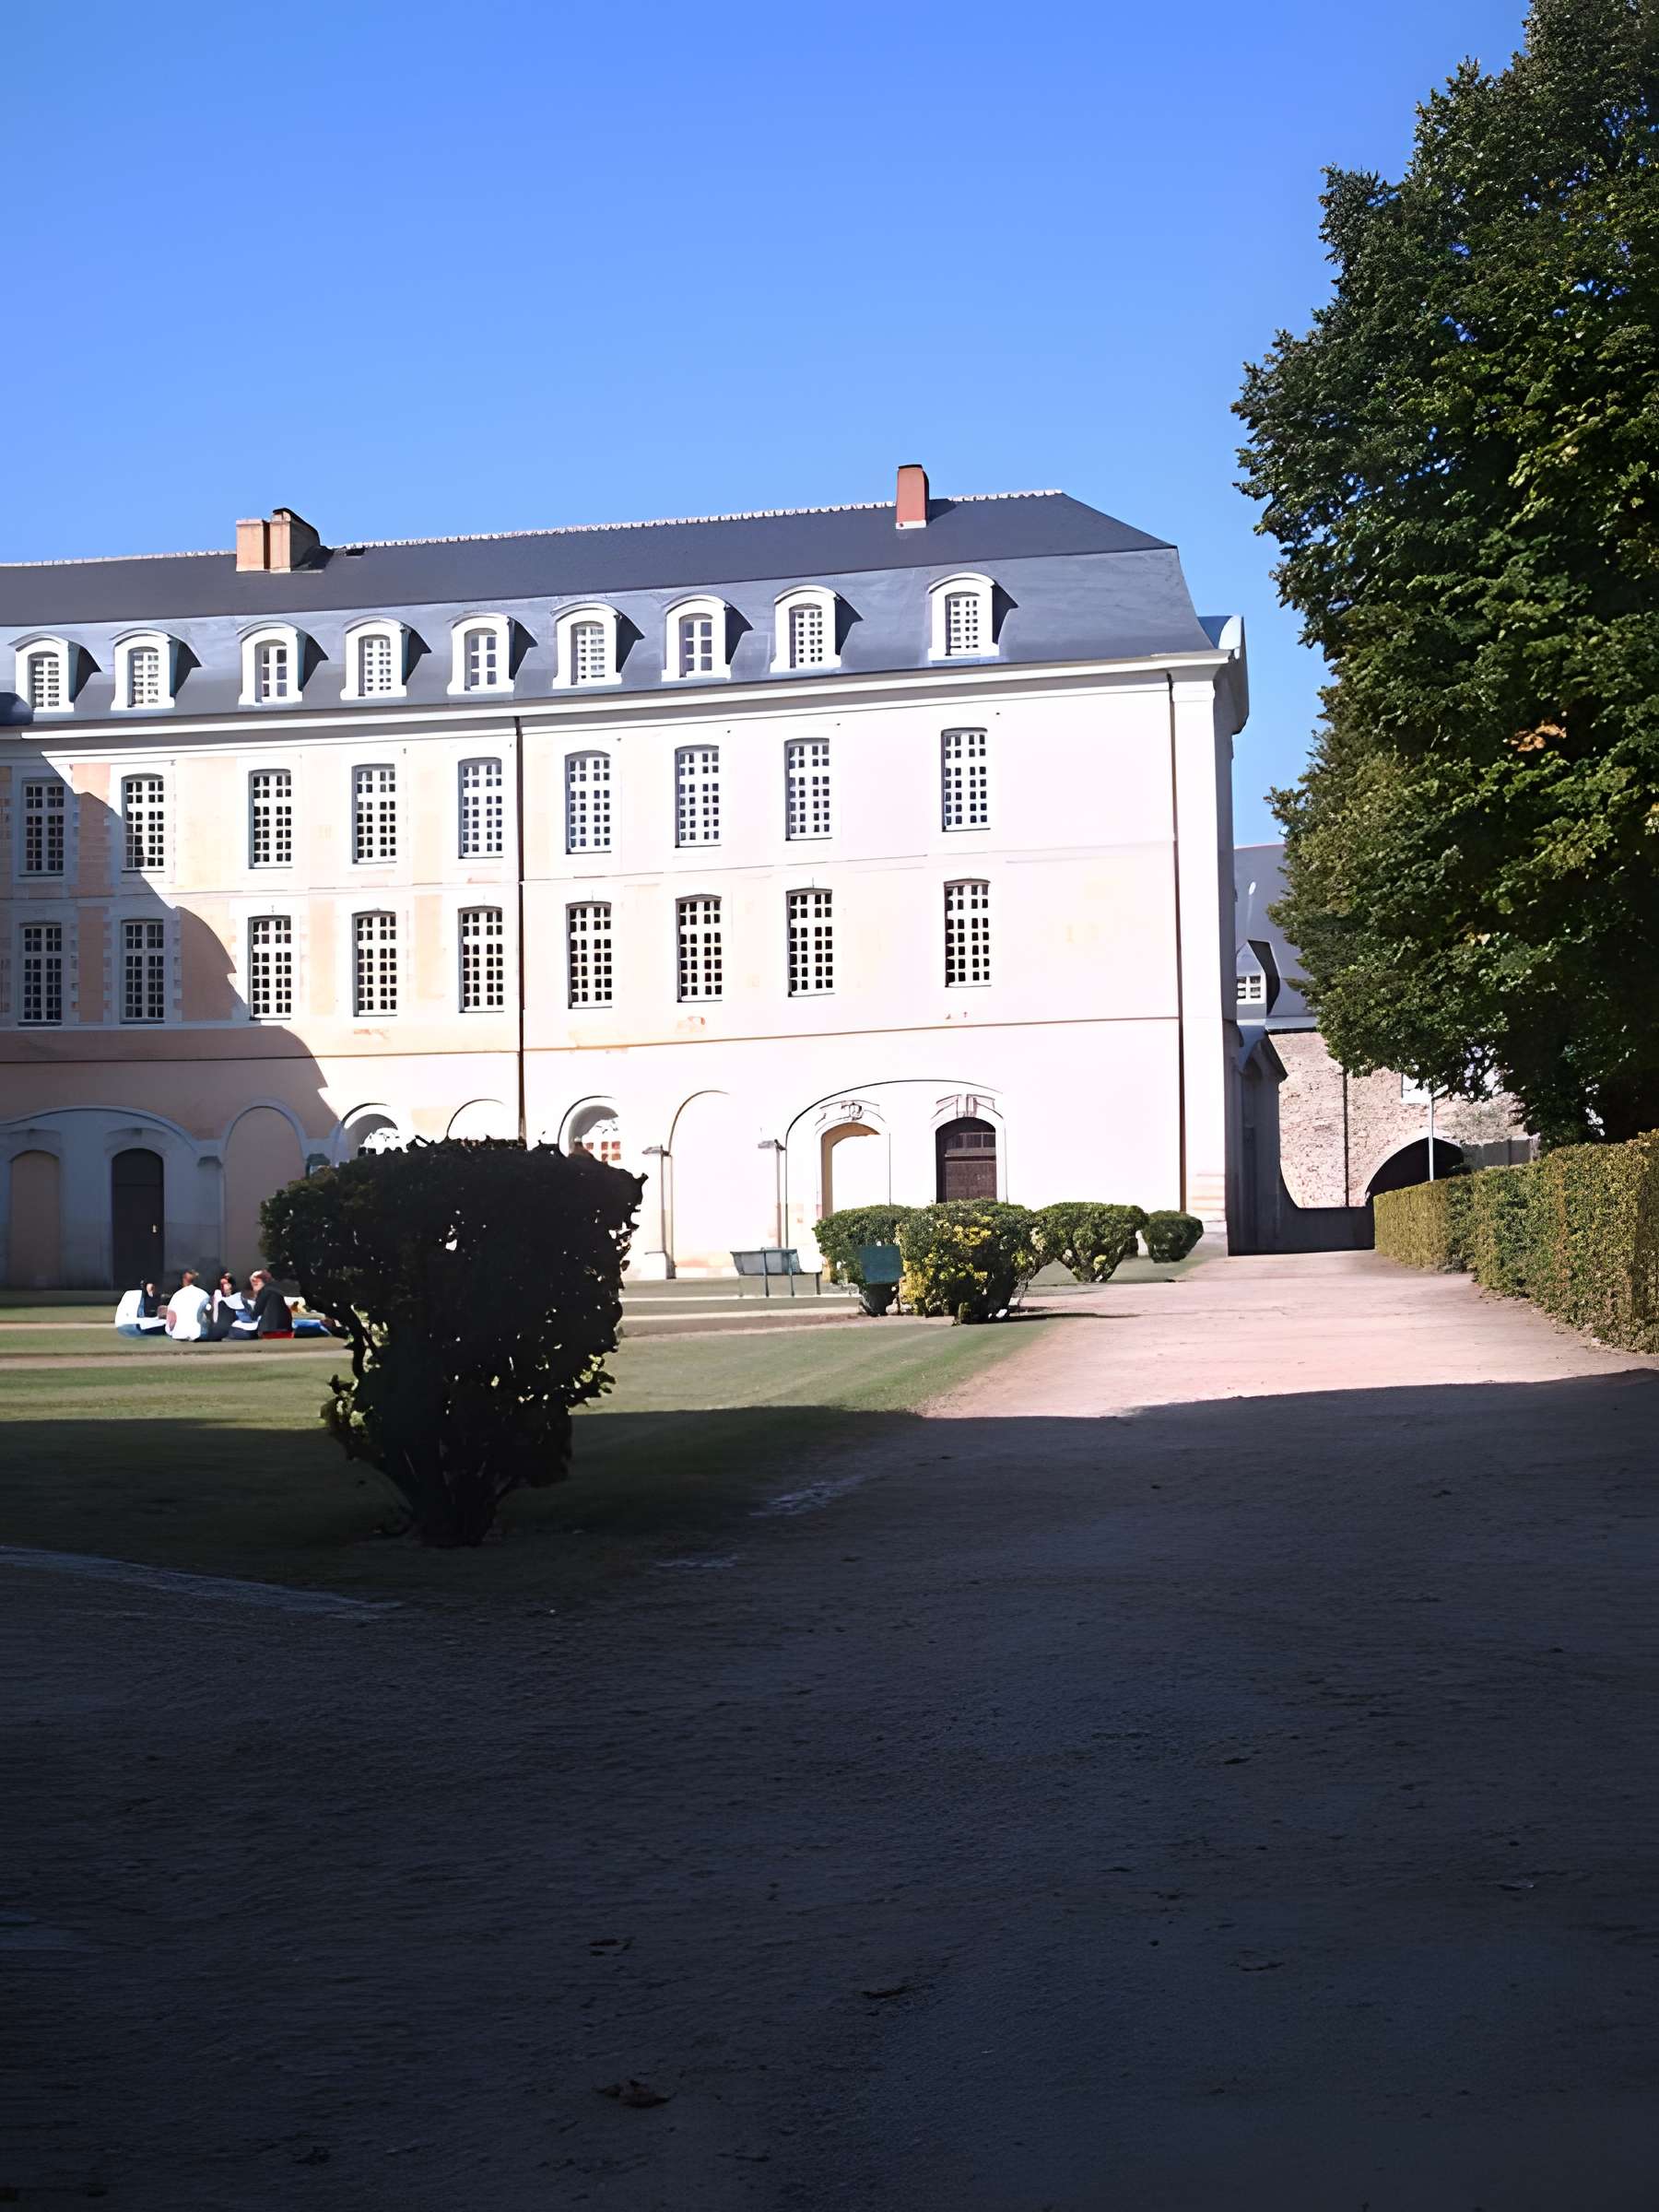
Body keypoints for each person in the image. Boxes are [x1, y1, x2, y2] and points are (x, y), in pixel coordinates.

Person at [163, 1269, 210, 1342]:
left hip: (179, 1334)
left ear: (184, 1280)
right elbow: (210, 1316)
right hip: (200, 1335)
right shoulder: (205, 1295)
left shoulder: (177, 1295)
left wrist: (170, 1332)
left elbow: (171, 1321)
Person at [245, 1270, 294, 1340]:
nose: (254, 1285)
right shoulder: (276, 1290)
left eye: (255, 1282)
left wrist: (248, 1308)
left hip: (269, 1329)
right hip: (286, 1328)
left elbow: (257, 1312)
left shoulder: (265, 1291)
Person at [203, 1270, 249, 1342]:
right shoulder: (215, 1298)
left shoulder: (238, 1299)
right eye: (223, 1284)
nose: (226, 1287)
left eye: (228, 1284)